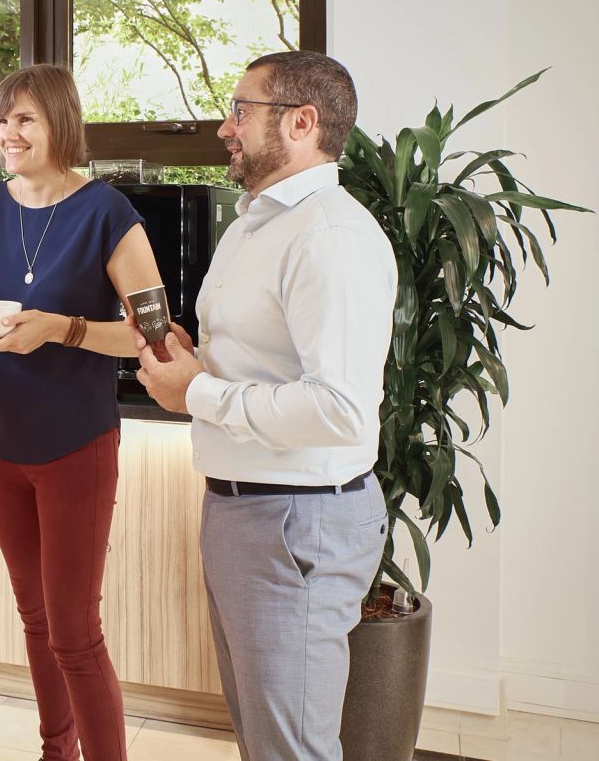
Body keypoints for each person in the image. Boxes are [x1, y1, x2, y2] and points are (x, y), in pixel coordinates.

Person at [132, 50, 397, 761]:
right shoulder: (258, 222)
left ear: (303, 122)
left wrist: (197, 391)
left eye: (242, 109)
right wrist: (195, 357)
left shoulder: (330, 235)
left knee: (291, 749)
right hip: (248, 513)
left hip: (296, 521)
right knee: (263, 740)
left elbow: (341, 408)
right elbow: (267, 361)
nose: (226, 126)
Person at [0, 64, 163, 761]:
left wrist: (63, 327)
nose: (8, 133)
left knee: (74, 628)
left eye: (25, 120)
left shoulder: (108, 212)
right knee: (35, 615)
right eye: (3, 119)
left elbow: (150, 337)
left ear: (59, 124)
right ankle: (55, 751)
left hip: (76, 440)